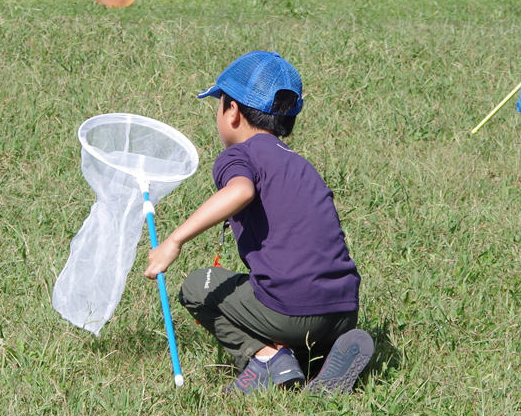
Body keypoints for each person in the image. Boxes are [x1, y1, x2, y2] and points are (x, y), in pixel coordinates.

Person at [146, 51, 372, 395]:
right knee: (293, 315)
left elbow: (240, 191)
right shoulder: (300, 164)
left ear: (232, 111)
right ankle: (323, 358)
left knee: (198, 286)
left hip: (291, 311)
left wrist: (174, 241)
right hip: (343, 308)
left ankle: (268, 360)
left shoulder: (240, 155)